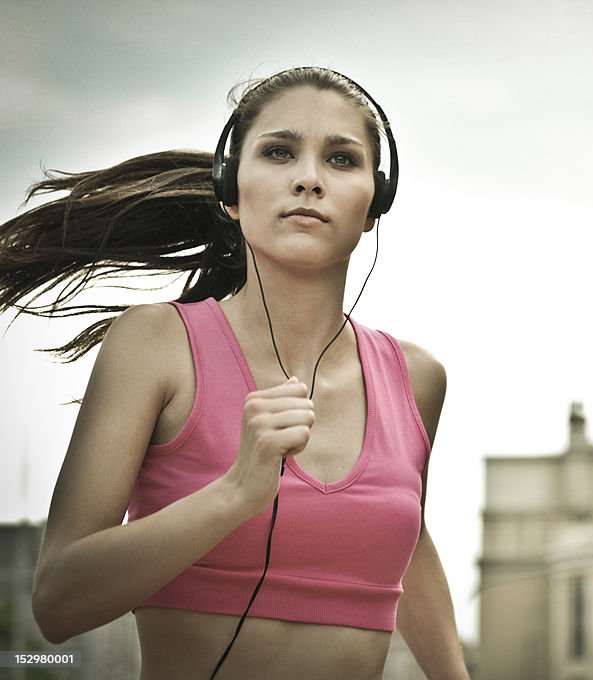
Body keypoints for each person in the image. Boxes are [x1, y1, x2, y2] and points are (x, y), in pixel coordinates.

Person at [4, 67, 469, 679]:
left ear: (374, 205)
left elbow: (408, 546)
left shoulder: (416, 378)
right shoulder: (155, 345)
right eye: (279, 152)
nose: (308, 178)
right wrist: (236, 493)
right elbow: (59, 602)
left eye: (341, 159)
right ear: (230, 188)